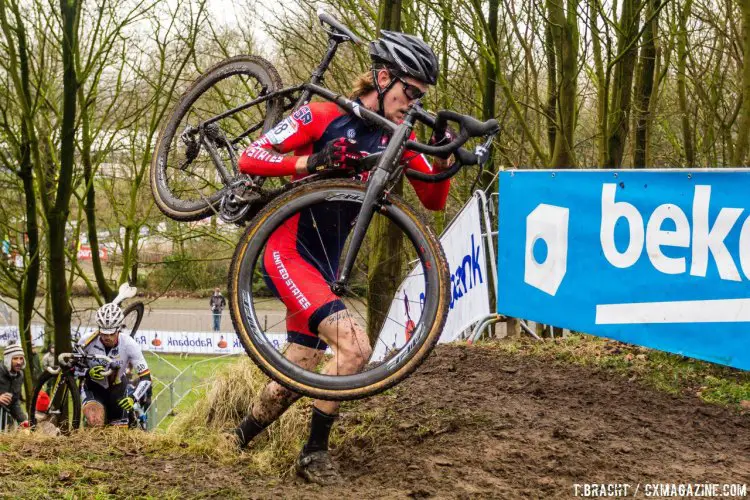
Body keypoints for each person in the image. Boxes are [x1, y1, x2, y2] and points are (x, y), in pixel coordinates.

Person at [232, 31, 451, 485]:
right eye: (409, 93)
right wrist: (311, 164)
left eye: (421, 98)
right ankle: (314, 454)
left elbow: (433, 200)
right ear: (383, 76)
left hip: (328, 267)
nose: (413, 105)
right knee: (355, 348)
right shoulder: (326, 114)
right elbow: (249, 158)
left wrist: (444, 151)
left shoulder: (397, 140)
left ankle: (236, 439)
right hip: (289, 251)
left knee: (300, 369)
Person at [80, 302, 152, 427]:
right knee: (94, 421)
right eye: (103, 333)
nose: (107, 337)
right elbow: (71, 369)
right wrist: (87, 372)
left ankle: (131, 419)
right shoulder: (86, 341)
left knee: (118, 438)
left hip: (117, 389)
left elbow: (146, 378)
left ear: (118, 329)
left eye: (111, 333)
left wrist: (133, 398)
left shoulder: (129, 344)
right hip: (93, 388)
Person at [0, 343, 29, 430]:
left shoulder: (19, 375)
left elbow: (14, 402)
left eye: (21, 358)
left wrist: (23, 421)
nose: (19, 362)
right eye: (15, 358)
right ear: (8, 359)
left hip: (5, 420)